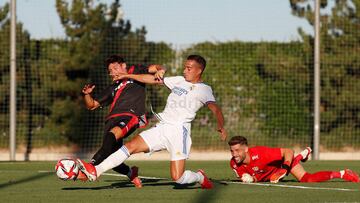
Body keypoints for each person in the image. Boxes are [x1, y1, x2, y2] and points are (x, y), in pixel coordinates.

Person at [77, 54, 228, 189]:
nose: (185, 71)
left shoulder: (204, 89)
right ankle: (96, 170)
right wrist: (129, 76)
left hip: (178, 131)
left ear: (199, 70)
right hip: (162, 127)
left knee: (178, 178)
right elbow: (150, 79)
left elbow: (216, 109)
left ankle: (199, 176)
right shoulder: (179, 80)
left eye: (189, 68)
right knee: (129, 146)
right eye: (184, 67)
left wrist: (221, 126)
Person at [77, 55, 165, 188]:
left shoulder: (136, 70)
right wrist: (86, 94)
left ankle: (91, 167)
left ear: (124, 65)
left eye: (115, 67)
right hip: (111, 119)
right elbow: (92, 105)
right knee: (111, 155)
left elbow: (158, 70)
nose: (113, 71)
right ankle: (131, 173)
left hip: (130, 115)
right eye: (110, 70)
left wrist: (161, 70)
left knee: (112, 137)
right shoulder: (112, 87)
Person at [228, 135, 360, 183]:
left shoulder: (261, 153)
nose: (234, 154)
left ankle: (343, 174)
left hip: (283, 165)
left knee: (307, 179)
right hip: (272, 174)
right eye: (232, 151)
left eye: (237, 150)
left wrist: (284, 169)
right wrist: (251, 180)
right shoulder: (234, 164)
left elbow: (288, 151)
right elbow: (255, 177)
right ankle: (304, 154)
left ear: (246, 149)